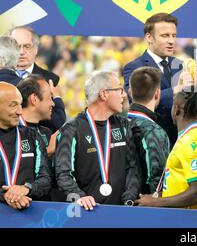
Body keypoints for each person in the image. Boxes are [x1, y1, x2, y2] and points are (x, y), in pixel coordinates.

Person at [55, 71, 140, 210]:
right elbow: (63, 173)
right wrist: (79, 196)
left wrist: (129, 198)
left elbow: (132, 168)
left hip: (121, 213)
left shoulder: (124, 126)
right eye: (119, 89)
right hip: (86, 213)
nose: (124, 95)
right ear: (103, 94)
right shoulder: (72, 129)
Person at [135, 86, 197, 208]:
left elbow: (196, 193)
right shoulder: (194, 135)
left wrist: (155, 202)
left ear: (177, 109)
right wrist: (158, 196)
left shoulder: (190, 141)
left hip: (184, 220)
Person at [123, 13, 183, 147]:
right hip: (149, 143)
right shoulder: (134, 67)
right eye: (165, 36)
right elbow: (137, 102)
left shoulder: (180, 65)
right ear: (149, 37)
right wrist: (175, 91)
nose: (171, 41)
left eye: (174, 35)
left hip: (179, 144)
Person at [0, 82, 51, 210]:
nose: (20, 111)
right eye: (13, 105)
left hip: (30, 215)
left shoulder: (32, 135)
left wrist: (26, 188)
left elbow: (46, 179)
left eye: (20, 105)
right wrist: (5, 195)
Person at [9, 26, 66, 133]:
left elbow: (56, 123)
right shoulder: (2, 77)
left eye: (26, 46)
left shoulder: (50, 79)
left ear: (36, 49)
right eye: (16, 46)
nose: (21, 52)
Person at [126, 66, 170, 195]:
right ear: (157, 93)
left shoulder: (115, 123)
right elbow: (158, 179)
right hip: (145, 207)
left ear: (130, 92)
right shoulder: (154, 131)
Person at [16, 75, 54, 156]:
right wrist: (47, 152)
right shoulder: (12, 132)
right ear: (34, 99)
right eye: (50, 98)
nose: (53, 103)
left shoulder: (46, 133)